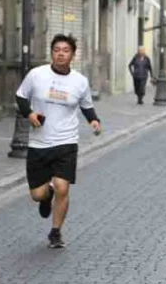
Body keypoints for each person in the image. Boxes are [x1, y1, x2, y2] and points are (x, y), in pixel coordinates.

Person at [15, 34, 102, 249]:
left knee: (63, 187)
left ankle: (56, 232)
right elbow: (21, 96)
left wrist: (94, 120)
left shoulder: (80, 81)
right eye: (56, 50)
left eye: (65, 50)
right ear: (51, 53)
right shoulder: (36, 75)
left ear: (72, 54)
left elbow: (86, 105)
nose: (61, 53)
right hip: (39, 143)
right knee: (37, 195)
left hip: (66, 141)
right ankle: (47, 195)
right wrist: (30, 114)